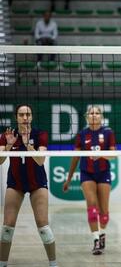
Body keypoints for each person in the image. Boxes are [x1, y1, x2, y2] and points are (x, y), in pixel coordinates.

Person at [0, 104, 58, 267]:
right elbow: (0, 161)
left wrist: (27, 145)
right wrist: (10, 145)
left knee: (43, 227)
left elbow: (40, 161)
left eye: (28, 114)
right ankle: (2, 264)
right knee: (7, 228)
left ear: (31, 117)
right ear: (16, 117)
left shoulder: (40, 134)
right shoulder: (7, 135)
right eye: (21, 115)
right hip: (15, 183)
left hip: (37, 183)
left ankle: (53, 264)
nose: (25, 118)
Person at [63, 106, 116, 255]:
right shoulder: (82, 134)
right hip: (87, 173)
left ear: (101, 116)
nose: (94, 115)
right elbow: (75, 158)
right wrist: (68, 179)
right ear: (87, 117)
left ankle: (102, 232)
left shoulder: (108, 133)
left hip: (103, 172)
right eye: (91, 113)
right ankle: (96, 240)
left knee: (104, 215)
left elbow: (113, 155)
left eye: (97, 113)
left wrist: (100, 155)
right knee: (92, 207)